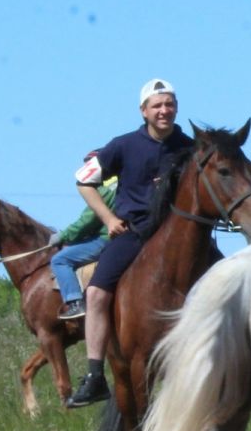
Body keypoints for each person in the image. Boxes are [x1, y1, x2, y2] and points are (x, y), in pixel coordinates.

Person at [65, 80, 195, 409]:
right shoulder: (122, 146)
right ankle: (95, 374)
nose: (164, 110)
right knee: (95, 293)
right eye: (157, 105)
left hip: (179, 234)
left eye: (169, 104)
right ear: (144, 111)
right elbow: (84, 180)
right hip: (133, 232)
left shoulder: (190, 147)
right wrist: (109, 219)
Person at [49, 176, 118, 320]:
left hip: (106, 238)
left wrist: (63, 236)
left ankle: (75, 304)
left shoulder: (104, 191)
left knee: (59, 260)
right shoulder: (121, 184)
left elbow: (86, 222)